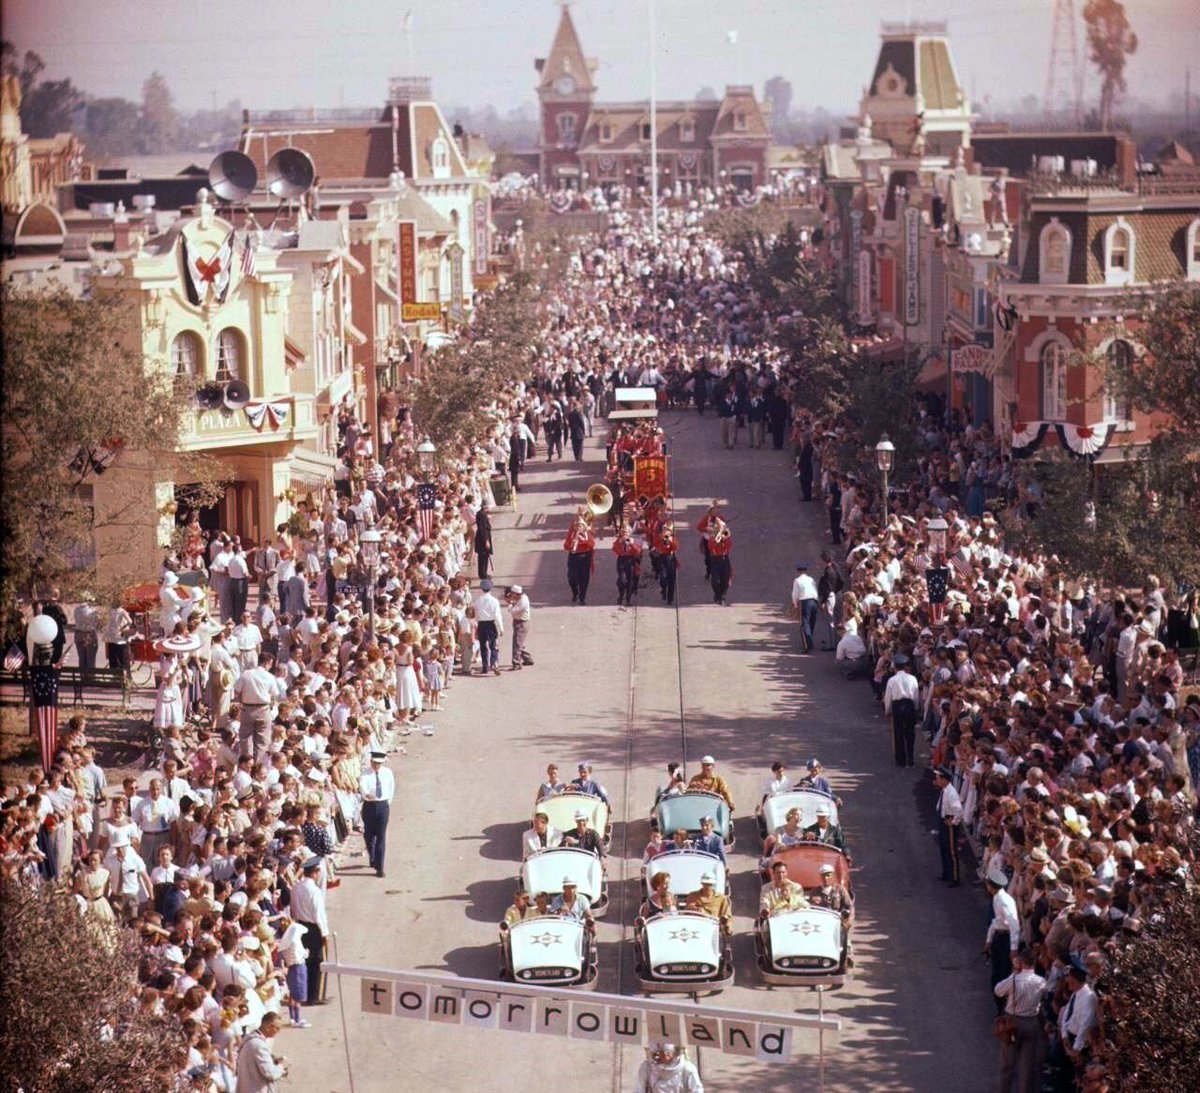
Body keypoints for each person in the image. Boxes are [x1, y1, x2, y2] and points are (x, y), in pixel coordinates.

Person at [994, 946, 1046, 1093]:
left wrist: (1014, 973)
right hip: (1032, 1022)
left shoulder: (1015, 979)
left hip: (1013, 1022)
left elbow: (998, 990)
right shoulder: (1041, 981)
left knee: (1008, 1065)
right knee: (1026, 1066)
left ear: (1021, 962)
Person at [289, 857, 328, 1005]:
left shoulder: (296, 887)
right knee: (316, 962)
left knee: (304, 960)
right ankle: (313, 996)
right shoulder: (314, 891)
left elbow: (293, 908)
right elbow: (319, 915)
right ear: (315, 873)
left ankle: (303, 993)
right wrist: (324, 933)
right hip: (313, 929)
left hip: (300, 926)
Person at [984, 861, 1020, 1012]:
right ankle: (999, 1005)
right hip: (999, 937)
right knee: (996, 973)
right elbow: (996, 922)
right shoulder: (997, 898)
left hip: (1005, 940)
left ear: (991, 886)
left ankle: (1003, 1008)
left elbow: (1014, 925)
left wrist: (1013, 948)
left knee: (1002, 974)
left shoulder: (1004, 901)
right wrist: (989, 939)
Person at [232, 653, 279, 766]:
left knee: (246, 739)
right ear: (267, 663)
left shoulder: (247, 674)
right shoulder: (269, 677)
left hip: (248, 708)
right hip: (263, 709)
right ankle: (257, 766)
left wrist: (242, 701)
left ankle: (247, 764)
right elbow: (275, 693)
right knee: (262, 741)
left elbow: (237, 690)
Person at [358, 750, 394, 877]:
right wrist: (366, 794)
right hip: (369, 806)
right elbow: (362, 786)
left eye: (379, 763)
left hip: (382, 805)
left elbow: (391, 787)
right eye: (374, 763)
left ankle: (380, 867)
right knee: (369, 835)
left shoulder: (387, 773)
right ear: (371, 761)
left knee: (381, 836)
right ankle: (372, 856)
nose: (376, 766)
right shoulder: (365, 774)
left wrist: (386, 802)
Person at [235, 1011, 287, 1092]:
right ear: (268, 1027)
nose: (278, 1032)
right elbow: (270, 1073)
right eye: (277, 1028)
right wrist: (280, 1068)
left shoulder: (250, 1038)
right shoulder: (259, 1045)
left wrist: (271, 1060)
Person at [883, 653, 919, 767]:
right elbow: (916, 695)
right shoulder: (912, 678)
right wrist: (916, 708)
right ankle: (910, 758)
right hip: (909, 705)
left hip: (897, 706)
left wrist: (887, 710)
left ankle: (900, 759)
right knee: (910, 733)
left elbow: (888, 697)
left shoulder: (892, 680)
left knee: (898, 733)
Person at [933, 766, 963, 886]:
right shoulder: (945, 790)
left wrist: (954, 822)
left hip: (949, 823)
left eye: (938, 778)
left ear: (944, 779)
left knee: (951, 850)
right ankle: (946, 873)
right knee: (943, 848)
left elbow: (959, 811)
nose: (936, 780)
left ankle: (955, 878)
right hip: (943, 821)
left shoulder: (951, 794)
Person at [634, 1042, 703, 1093]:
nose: (662, 1055)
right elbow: (639, 1089)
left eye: (666, 1053)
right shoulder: (647, 1067)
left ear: (674, 1052)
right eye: (659, 1052)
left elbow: (697, 1090)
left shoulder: (687, 1068)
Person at [563, 512, 596, 605]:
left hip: (585, 557)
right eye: (577, 526)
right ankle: (575, 592)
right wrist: (571, 544)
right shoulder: (572, 536)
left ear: (584, 528)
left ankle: (582, 598)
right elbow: (565, 546)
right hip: (573, 557)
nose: (578, 528)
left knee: (584, 578)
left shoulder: (587, 535)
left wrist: (584, 541)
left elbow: (592, 544)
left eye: (580, 526)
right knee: (571, 577)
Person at [473, 579, 504, 676]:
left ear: (482, 589)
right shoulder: (494, 601)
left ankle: (485, 666)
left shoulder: (478, 601)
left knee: (483, 646)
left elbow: (476, 614)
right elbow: (497, 615)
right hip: (491, 624)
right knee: (493, 645)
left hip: (481, 624)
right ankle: (494, 662)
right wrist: (501, 628)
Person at [791, 562, 819, 652]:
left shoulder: (797, 580)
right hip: (814, 600)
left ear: (798, 571)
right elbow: (815, 589)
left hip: (805, 601)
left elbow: (795, 594)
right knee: (812, 621)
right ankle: (809, 638)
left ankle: (807, 644)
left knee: (804, 623)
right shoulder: (811, 579)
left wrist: (795, 604)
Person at [613, 525, 643, 608]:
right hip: (622, 560)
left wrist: (632, 544)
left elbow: (638, 551)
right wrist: (619, 542)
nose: (625, 534)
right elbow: (614, 549)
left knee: (630, 580)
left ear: (630, 533)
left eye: (626, 532)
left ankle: (628, 599)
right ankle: (621, 594)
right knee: (622, 580)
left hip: (630, 560)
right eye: (623, 532)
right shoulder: (619, 540)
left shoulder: (633, 540)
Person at [705, 518, 733, 605]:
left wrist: (724, 538)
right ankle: (717, 594)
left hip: (725, 558)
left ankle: (722, 596)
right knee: (715, 581)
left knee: (725, 580)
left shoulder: (726, 536)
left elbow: (729, 545)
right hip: (715, 559)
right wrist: (717, 537)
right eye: (717, 528)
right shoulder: (712, 537)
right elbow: (711, 546)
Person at [73, 592, 101, 675]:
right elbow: (98, 621)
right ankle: (90, 677)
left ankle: (83, 677)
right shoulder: (92, 611)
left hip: (78, 634)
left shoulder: (76, 610)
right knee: (90, 658)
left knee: (81, 658)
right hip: (90, 634)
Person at [506, 584, 531, 671]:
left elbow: (513, 611)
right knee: (520, 643)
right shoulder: (520, 598)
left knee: (517, 644)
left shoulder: (522, 602)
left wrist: (510, 604)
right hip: (519, 622)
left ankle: (516, 663)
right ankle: (528, 659)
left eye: (512, 594)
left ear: (516, 594)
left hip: (521, 623)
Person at [656, 521, 680, 606]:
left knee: (671, 580)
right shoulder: (660, 538)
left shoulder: (672, 539)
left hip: (671, 559)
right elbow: (657, 546)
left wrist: (670, 541)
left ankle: (670, 599)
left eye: (668, 530)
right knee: (663, 577)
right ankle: (663, 589)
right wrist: (661, 540)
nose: (666, 532)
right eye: (664, 530)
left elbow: (676, 547)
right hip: (662, 558)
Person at [474, 506, 494, 580]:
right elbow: (483, 529)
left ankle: (483, 573)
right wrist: (486, 540)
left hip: (483, 538)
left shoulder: (481, 514)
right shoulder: (482, 515)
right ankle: (483, 574)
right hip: (483, 539)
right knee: (483, 557)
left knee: (484, 556)